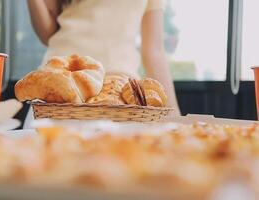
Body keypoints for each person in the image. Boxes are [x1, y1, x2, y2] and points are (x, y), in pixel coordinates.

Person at [24, 0, 180, 129]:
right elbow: (48, 33)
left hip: (120, 95)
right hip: (59, 87)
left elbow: (154, 51)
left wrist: (175, 120)